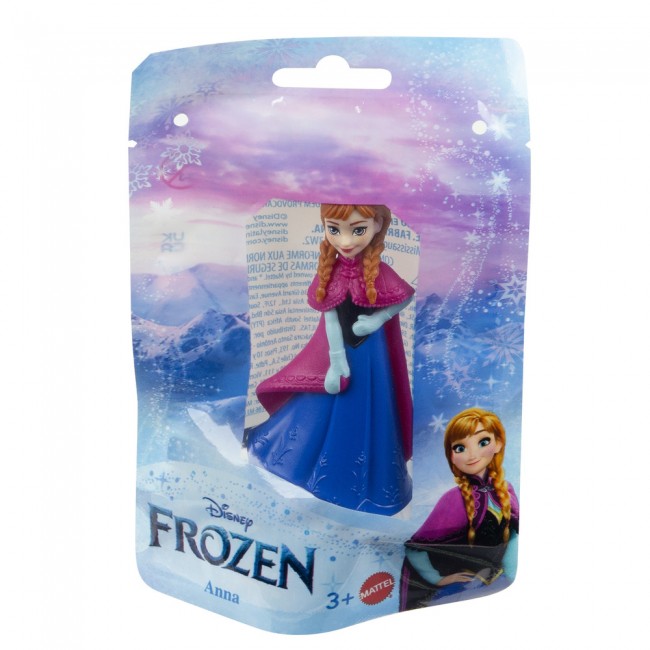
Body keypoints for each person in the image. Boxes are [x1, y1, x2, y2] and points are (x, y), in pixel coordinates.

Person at [246, 204, 414, 515]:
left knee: (372, 411)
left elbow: (405, 295)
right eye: (334, 229)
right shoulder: (332, 273)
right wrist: (336, 362)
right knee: (318, 408)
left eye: (358, 229)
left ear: (378, 225)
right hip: (343, 354)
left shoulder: (379, 271)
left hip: (372, 356)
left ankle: (363, 486)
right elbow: (331, 321)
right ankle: (301, 464)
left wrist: (377, 320)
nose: (345, 241)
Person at [399, 407, 519, 610]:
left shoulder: (505, 489)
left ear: (498, 443)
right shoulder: (453, 499)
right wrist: (436, 579)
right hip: (459, 590)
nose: (472, 455)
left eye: (483, 442)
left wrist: (510, 574)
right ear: (451, 456)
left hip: (498, 585)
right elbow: (415, 547)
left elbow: (513, 535)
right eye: (460, 448)